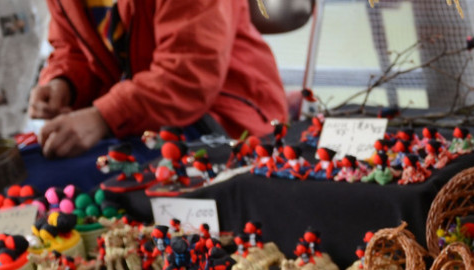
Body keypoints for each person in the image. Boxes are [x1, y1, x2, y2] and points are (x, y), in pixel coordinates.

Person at [32, 0, 287, 158]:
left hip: (225, 119)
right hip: (138, 118)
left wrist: (104, 116)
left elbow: (188, 75)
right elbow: (73, 48)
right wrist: (64, 83)